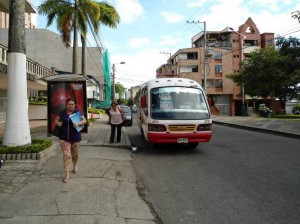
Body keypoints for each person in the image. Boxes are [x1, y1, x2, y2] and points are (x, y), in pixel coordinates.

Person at [54, 98, 87, 183]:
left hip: (76, 138)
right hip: (64, 138)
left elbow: (84, 120)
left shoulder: (77, 112)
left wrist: (79, 123)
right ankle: (67, 174)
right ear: (66, 105)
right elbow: (56, 119)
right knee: (66, 156)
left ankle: (75, 166)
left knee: (75, 155)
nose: (71, 105)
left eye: (72, 104)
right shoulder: (62, 112)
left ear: (74, 105)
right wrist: (58, 123)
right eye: (69, 104)